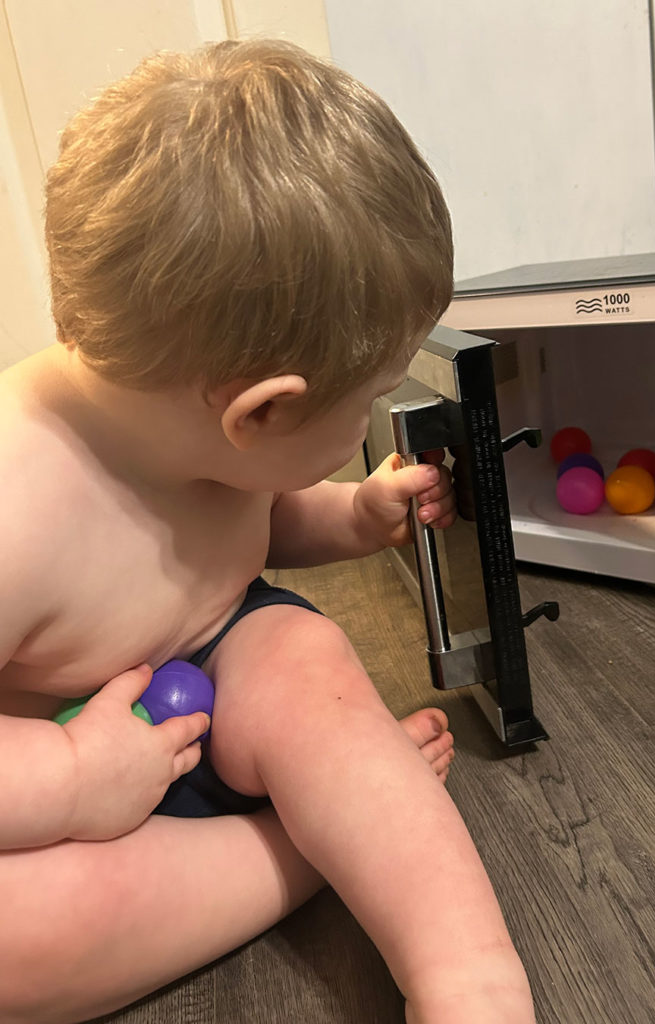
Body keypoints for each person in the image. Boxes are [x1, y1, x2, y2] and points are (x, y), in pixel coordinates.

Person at [0, 38, 536, 1024]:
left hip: (225, 659)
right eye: (374, 399)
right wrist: (70, 777)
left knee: (305, 663)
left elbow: (245, 510)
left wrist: (350, 514)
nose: (378, 414)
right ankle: (299, 854)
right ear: (263, 413)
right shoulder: (14, 507)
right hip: (58, 781)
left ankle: (470, 978)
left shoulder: (202, 432)